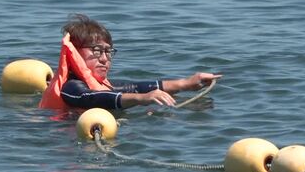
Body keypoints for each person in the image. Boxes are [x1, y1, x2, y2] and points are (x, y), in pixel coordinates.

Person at [39, 13, 221, 110]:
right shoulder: (70, 87)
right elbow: (91, 98)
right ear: (75, 54)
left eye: (108, 52)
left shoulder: (103, 85)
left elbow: (134, 87)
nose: (104, 58)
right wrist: (141, 99)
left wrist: (186, 83)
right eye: (97, 51)